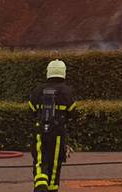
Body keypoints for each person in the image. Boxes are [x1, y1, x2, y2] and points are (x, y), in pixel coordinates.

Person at [29, 59, 76, 192]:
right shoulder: (67, 92)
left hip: (40, 131)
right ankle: (51, 188)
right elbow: (72, 113)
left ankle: (40, 184)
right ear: (63, 73)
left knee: (40, 160)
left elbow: (31, 111)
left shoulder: (38, 90)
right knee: (54, 164)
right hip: (58, 134)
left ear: (48, 72)